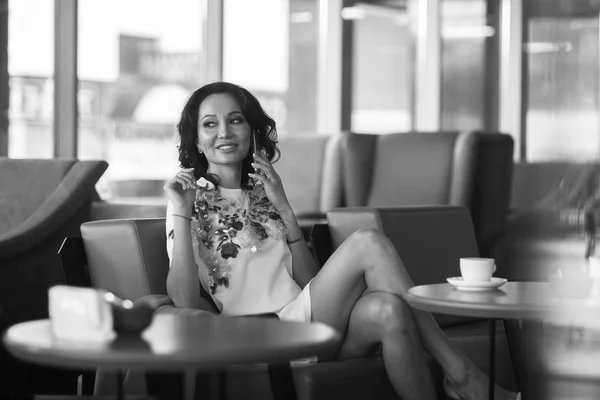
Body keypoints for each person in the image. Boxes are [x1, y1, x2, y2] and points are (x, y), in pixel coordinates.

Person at [164, 81, 519, 400]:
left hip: (307, 322)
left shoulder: (265, 193)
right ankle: (460, 372)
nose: (224, 131)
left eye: (235, 120)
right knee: (368, 242)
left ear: (251, 130)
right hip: (258, 335)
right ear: (196, 139)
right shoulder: (186, 200)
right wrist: (181, 212)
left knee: (389, 310)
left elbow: (307, 283)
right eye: (210, 124)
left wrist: (285, 210)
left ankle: (453, 381)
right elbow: (181, 297)